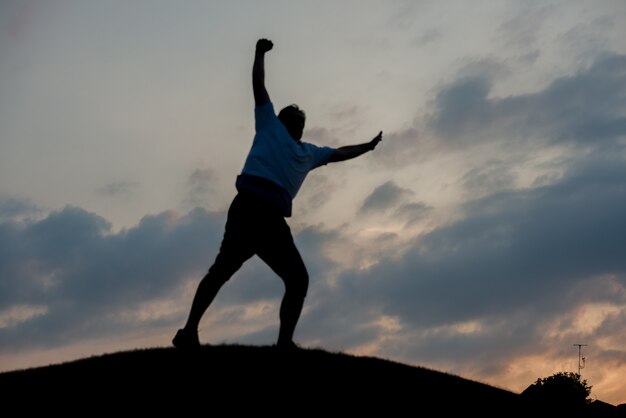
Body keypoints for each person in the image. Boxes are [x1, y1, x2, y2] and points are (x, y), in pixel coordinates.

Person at [173, 38, 382, 350]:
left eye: (302, 122)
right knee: (220, 272)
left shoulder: (309, 153)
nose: (299, 124)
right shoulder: (268, 125)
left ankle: (284, 343)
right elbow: (258, 84)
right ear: (281, 120)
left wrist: (366, 146)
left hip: (272, 222)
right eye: (294, 120)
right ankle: (189, 332)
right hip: (247, 210)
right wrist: (259, 53)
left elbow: (340, 152)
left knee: (298, 280)